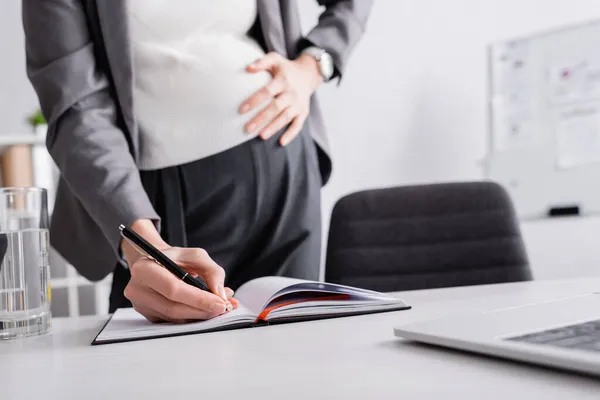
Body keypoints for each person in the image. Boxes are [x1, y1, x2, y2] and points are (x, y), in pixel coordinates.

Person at [22, 0, 373, 323]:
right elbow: (76, 106)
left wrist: (315, 63)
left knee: (292, 364)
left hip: (285, 170)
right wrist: (145, 245)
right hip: (157, 206)